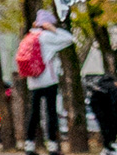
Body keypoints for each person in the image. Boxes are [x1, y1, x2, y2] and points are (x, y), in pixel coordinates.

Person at [21, 9, 77, 155]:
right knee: (51, 112)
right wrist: (54, 29)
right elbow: (69, 39)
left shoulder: (29, 37)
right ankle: (52, 145)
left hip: (33, 81)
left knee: (34, 113)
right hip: (48, 80)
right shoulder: (47, 37)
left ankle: (29, 145)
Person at [88, 72, 117, 153]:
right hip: (103, 105)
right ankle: (111, 144)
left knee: (104, 124)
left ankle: (108, 144)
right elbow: (115, 112)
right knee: (109, 123)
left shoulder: (106, 84)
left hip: (95, 103)